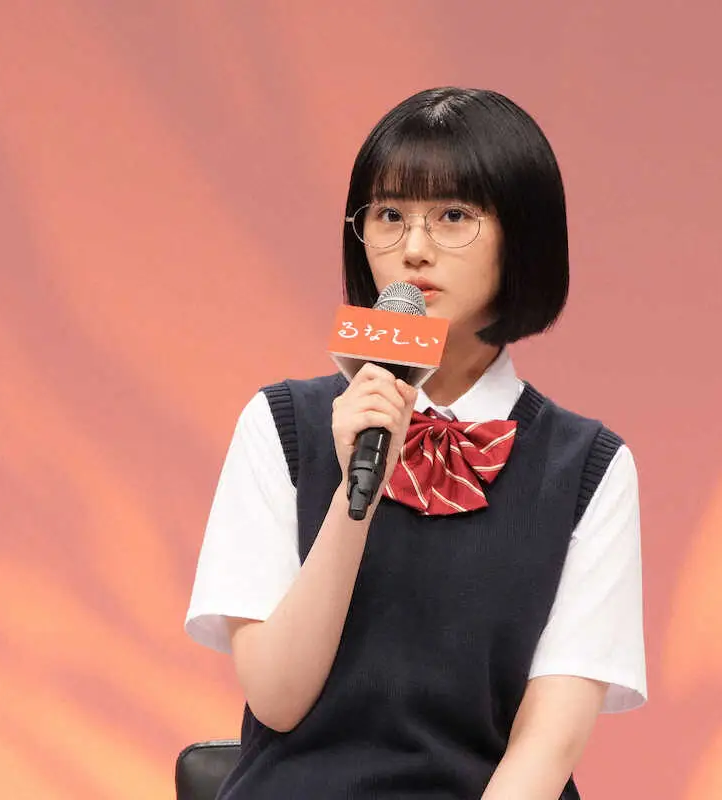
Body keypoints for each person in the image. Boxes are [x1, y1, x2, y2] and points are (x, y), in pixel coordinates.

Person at [186, 87, 646, 799]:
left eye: (453, 216)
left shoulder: (587, 466)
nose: (414, 250)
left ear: (522, 236)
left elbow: (547, 745)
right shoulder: (282, 424)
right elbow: (276, 696)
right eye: (389, 216)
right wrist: (353, 494)